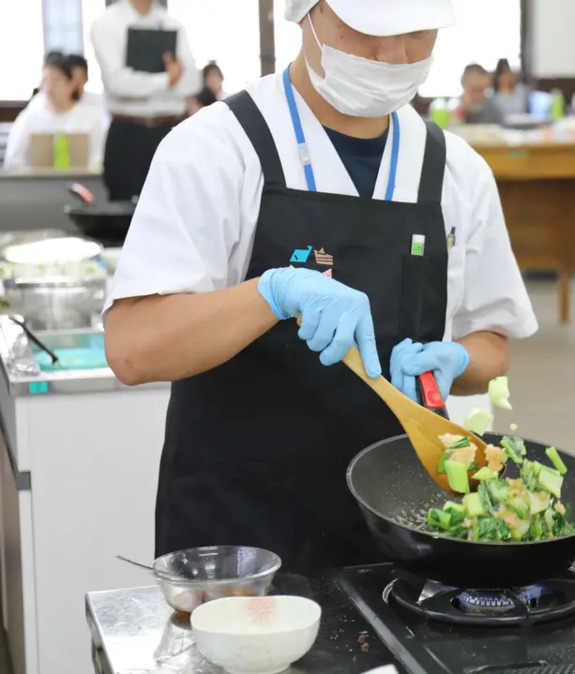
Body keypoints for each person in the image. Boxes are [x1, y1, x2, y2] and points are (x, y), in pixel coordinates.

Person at [103, 0, 537, 575]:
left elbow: (493, 347)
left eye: (415, 33)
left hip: (400, 531)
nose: (392, 55)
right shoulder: (215, 148)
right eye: (366, 30)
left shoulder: (457, 171)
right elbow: (132, 347)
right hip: (240, 535)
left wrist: (456, 359)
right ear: (302, 13)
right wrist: (268, 294)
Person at [91, 0, 200, 201]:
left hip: (171, 129)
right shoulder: (107, 23)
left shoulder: (171, 24)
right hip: (129, 135)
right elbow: (118, 84)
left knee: (177, 206)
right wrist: (168, 80)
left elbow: (191, 82)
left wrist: (143, 84)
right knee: (125, 217)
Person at [4, 54, 108, 170]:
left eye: (56, 80)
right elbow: (13, 160)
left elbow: (99, 159)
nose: (50, 88)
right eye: (45, 81)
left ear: (71, 84)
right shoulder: (29, 118)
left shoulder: (91, 118)